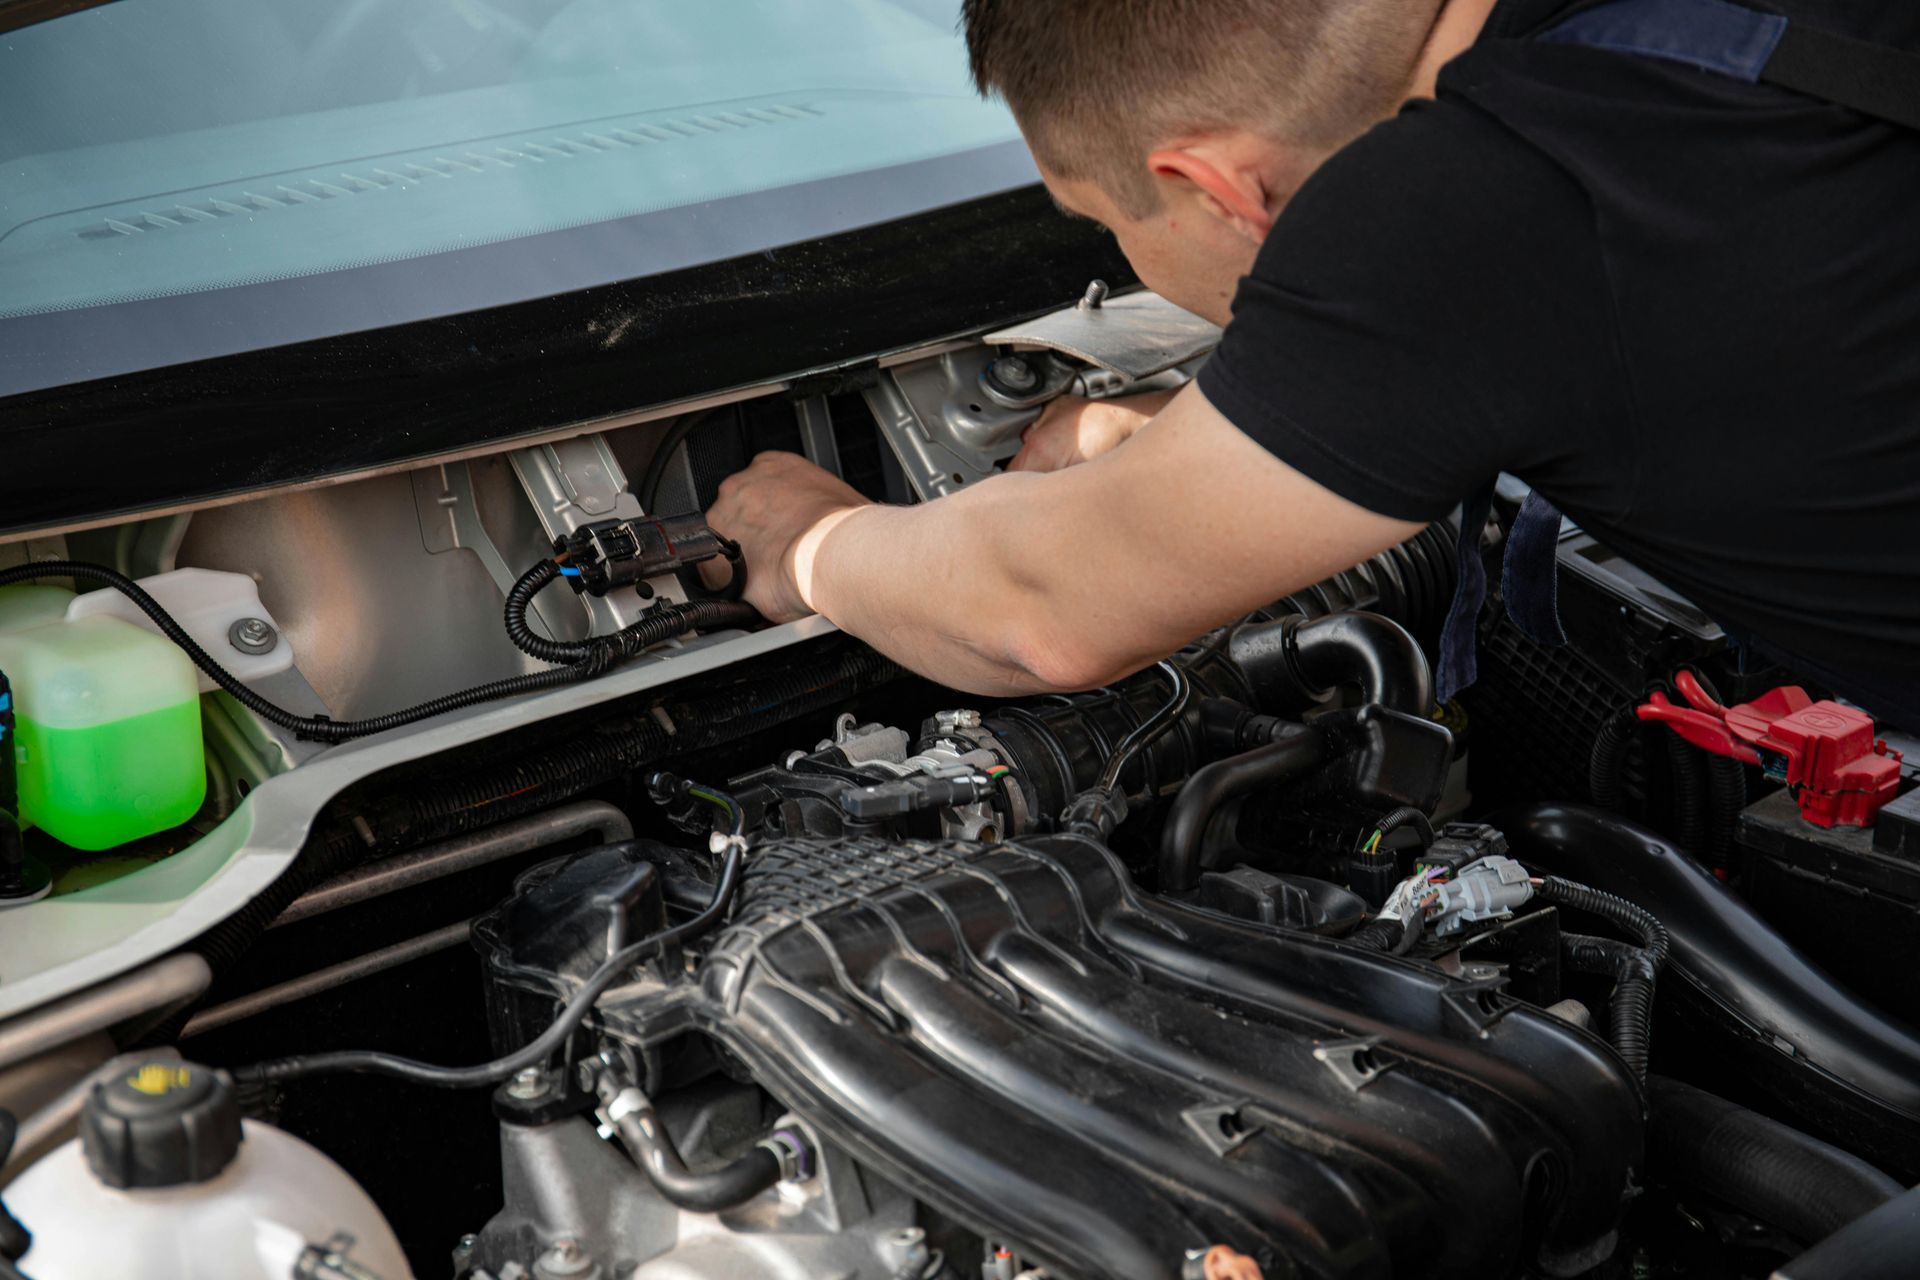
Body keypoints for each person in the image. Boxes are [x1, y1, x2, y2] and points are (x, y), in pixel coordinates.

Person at [706, 0, 1920, 722]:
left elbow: (1048, 612)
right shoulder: (1620, 72)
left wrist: (811, 542)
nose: (1115, 253)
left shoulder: (1477, 199)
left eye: (1103, 226)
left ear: (1214, 184)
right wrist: (1223, 428)